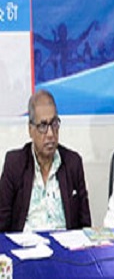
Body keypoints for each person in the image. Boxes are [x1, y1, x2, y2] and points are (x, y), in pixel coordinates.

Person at [0, 90, 91, 231]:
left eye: (54, 124)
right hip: (26, 242)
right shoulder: (15, 164)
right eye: (43, 126)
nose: (50, 134)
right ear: (30, 129)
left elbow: (85, 225)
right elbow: (2, 225)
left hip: (64, 242)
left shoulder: (73, 163)